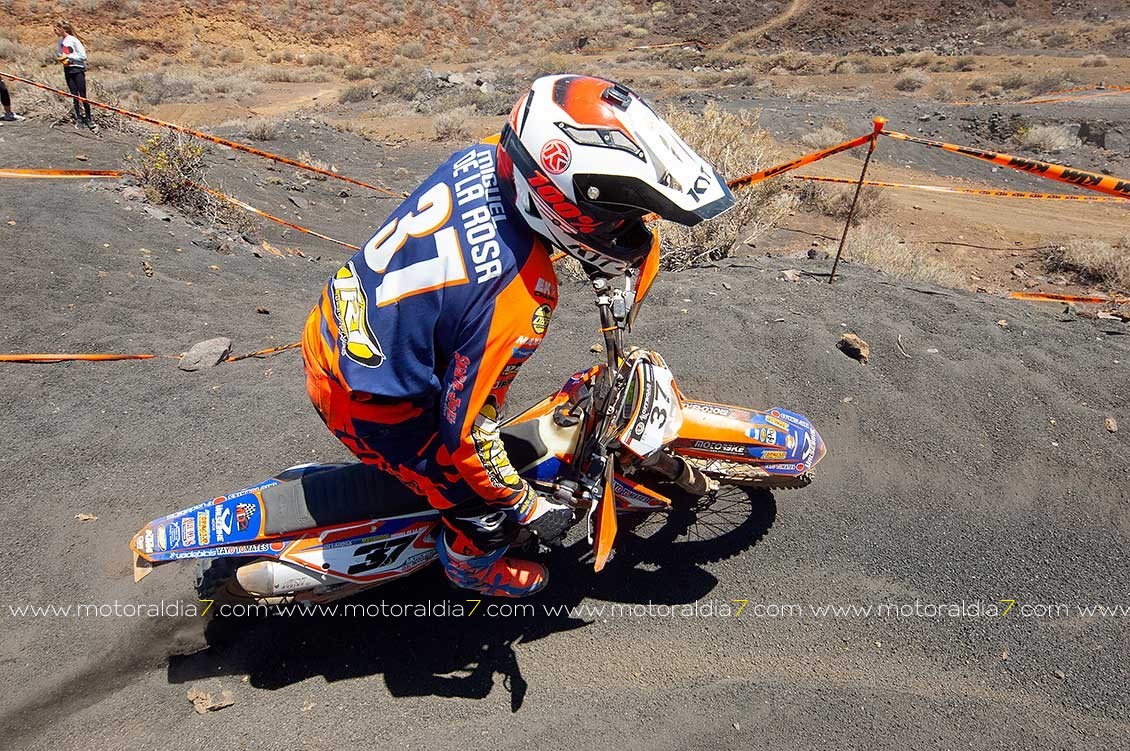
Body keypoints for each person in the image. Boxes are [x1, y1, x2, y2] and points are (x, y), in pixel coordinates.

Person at [302, 74, 735, 597]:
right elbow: (468, 436)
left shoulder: (485, 158)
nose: (623, 228)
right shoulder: (519, 296)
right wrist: (529, 508)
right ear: (558, 199)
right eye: (613, 216)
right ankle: (472, 567)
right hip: (365, 398)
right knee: (480, 503)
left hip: (347, 322)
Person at [54, 20, 96, 131]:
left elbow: (83, 56)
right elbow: (61, 54)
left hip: (77, 70)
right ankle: (79, 118)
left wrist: (69, 57)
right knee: (74, 95)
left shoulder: (74, 40)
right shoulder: (60, 42)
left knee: (83, 95)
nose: (54, 30)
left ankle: (89, 118)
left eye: (56, 28)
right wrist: (61, 58)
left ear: (63, 29)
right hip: (67, 69)